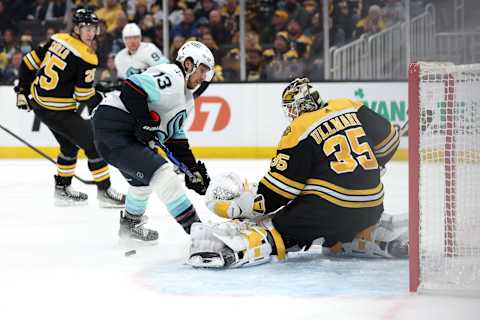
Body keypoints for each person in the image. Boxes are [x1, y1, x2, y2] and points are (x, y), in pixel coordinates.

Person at [187, 77, 405, 269]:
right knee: (338, 233)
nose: (291, 114)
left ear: (299, 106)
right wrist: (373, 165)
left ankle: (226, 249)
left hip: (328, 209)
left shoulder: (299, 129)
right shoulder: (349, 105)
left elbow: (279, 191)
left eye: (291, 108)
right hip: (372, 206)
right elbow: (390, 140)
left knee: (275, 226)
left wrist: (248, 207)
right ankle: (369, 236)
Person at [91, 41, 215, 241]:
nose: (202, 78)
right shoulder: (172, 75)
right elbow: (131, 87)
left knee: (143, 182)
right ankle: (199, 234)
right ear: (188, 63)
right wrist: (145, 121)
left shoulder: (187, 99)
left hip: (121, 131)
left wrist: (192, 170)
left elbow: (174, 137)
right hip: (114, 126)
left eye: (206, 73)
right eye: (201, 70)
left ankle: (130, 225)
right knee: (164, 175)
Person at [15, 8, 125, 208]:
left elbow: (28, 62)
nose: (92, 33)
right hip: (57, 110)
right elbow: (83, 95)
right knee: (93, 142)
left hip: (38, 102)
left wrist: (22, 89)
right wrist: (100, 96)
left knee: (68, 146)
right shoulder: (87, 56)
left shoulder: (57, 39)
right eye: (87, 28)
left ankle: (62, 188)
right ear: (76, 28)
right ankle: (104, 190)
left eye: (94, 28)